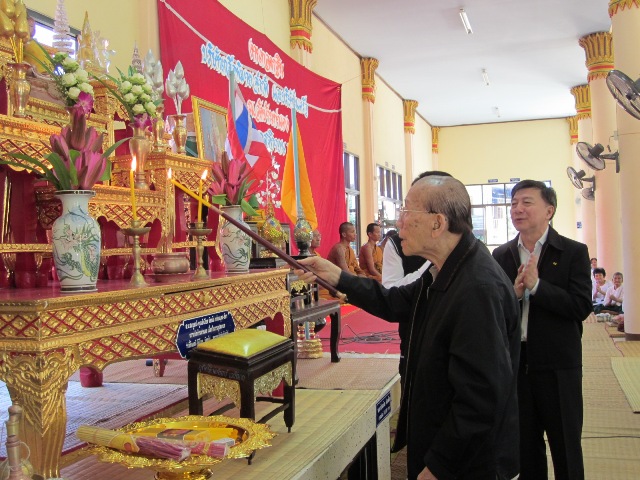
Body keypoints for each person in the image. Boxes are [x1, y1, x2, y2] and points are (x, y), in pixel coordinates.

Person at [297, 175, 520, 480]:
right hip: (438, 435)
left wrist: (440, 465)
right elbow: (394, 302)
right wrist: (337, 276)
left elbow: (481, 398)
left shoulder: (477, 289)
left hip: (468, 463)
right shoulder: (443, 268)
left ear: (437, 223)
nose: (398, 223)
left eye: (406, 212)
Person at [492, 179, 592, 480]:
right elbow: (494, 312)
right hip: (517, 364)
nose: (517, 209)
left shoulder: (572, 252)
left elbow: (580, 306)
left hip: (558, 365)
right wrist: (513, 294)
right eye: (513, 203)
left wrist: (537, 287)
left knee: (566, 446)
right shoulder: (502, 255)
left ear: (549, 210)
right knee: (525, 447)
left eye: (526, 202)